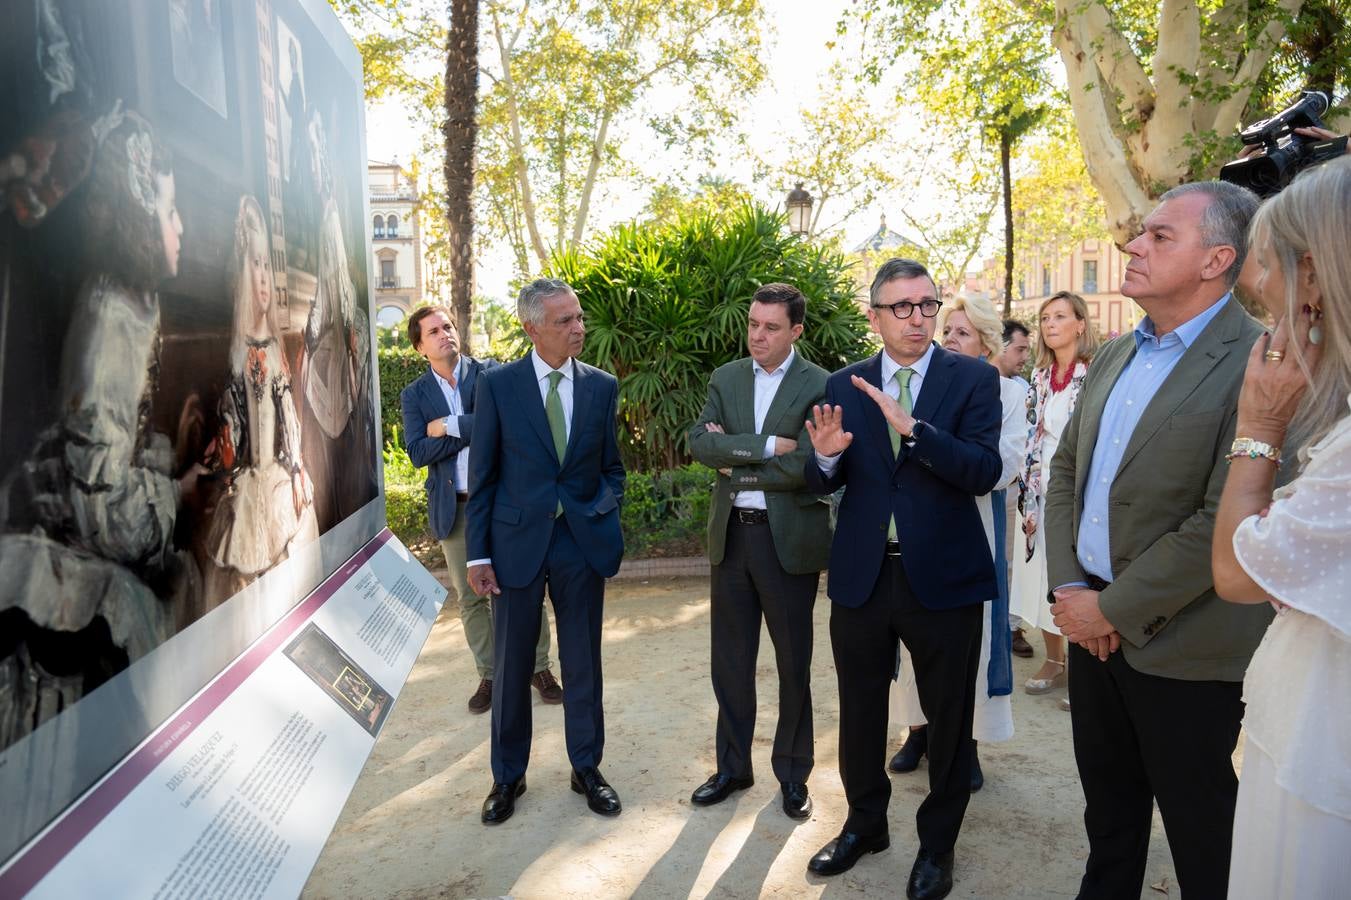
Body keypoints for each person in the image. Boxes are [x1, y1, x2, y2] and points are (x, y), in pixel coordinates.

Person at [1044, 181, 1273, 899]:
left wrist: (1114, 610)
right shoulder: (1113, 353)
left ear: (1216, 259)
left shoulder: (1260, 363)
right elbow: (1064, 475)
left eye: (1158, 236)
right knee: (1108, 815)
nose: (1132, 246)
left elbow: (1222, 517)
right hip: (1089, 624)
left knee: (1203, 829)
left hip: (1185, 644)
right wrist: (1073, 589)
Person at [803, 258, 1002, 899]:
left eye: (926, 304)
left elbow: (981, 470)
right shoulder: (844, 381)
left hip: (943, 577)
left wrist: (913, 428)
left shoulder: (971, 378)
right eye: (902, 307)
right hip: (863, 576)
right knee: (860, 713)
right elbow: (820, 479)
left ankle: (937, 847)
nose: (917, 318)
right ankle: (865, 825)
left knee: (947, 719)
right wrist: (826, 460)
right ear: (875, 316)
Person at [1211, 156, 1351, 900]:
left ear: (1314, 274)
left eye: (1263, 265)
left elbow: (1237, 574)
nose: (1255, 286)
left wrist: (1258, 424)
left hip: (1323, 753)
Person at [467, 278, 626, 825]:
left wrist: (602, 510)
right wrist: (476, 555)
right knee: (511, 668)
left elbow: (612, 468)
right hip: (513, 546)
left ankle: (587, 768)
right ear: (532, 327)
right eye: (565, 321)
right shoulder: (498, 385)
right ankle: (507, 777)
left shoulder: (602, 386)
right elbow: (483, 475)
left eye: (579, 317)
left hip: (580, 544)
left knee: (584, 662)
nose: (578, 327)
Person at [687, 282, 831, 821]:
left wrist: (736, 460)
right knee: (729, 661)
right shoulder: (725, 378)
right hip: (732, 538)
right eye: (753, 324)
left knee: (793, 662)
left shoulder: (819, 383)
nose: (758, 336)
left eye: (771, 327)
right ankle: (731, 767)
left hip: (786, 542)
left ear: (795, 330)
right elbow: (701, 443)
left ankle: (793, 774)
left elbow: (810, 467)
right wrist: (769, 448)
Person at [888, 295, 1026, 792]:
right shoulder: (921, 386)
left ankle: (963, 744)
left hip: (972, 531)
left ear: (988, 345)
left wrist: (939, 453)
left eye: (962, 333)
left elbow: (1002, 469)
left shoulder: (1006, 395)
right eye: (948, 331)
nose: (949, 340)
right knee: (911, 638)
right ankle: (918, 731)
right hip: (915, 530)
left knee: (968, 643)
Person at [399, 305, 561, 714]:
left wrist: (449, 425)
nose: (444, 334)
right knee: (470, 596)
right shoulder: (414, 395)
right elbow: (418, 451)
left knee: (525, 586)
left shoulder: (492, 374)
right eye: (433, 331)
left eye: (448, 326)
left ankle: (539, 668)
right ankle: (490, 674)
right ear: (421, 347)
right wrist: (474, 429)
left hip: (506, 503)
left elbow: (507, 424)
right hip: (455, 510)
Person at [202, 195, 318, 603]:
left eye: (268, 265)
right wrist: (224, 445)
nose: (264, 278)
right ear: (241, 273)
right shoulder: (233, 353)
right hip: (248, 482)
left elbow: (287, 415)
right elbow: (232, 425)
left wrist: (298, 465)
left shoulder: (274, 346)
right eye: (256, 265)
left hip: (280, 477)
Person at [1010, 292, 1097, 695]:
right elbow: (1033, 435)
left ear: (1080, 323)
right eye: (1045, 318)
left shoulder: (1095, 373)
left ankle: (1084, 668)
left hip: (1078, 493)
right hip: (1037, 495)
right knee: (1040, 576)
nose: (1050, 324)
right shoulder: (1040, 377)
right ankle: (1054, 660)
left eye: (1059, 316)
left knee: (1076, 575)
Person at [995, 319, 1034, 659]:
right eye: (1020, 349)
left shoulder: (1022, 387)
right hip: (994, 483)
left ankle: (1011, 626)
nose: (1024, 356)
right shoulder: (982, 384)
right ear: (1000, 345)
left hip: (1017, 489)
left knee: (1011, 560)